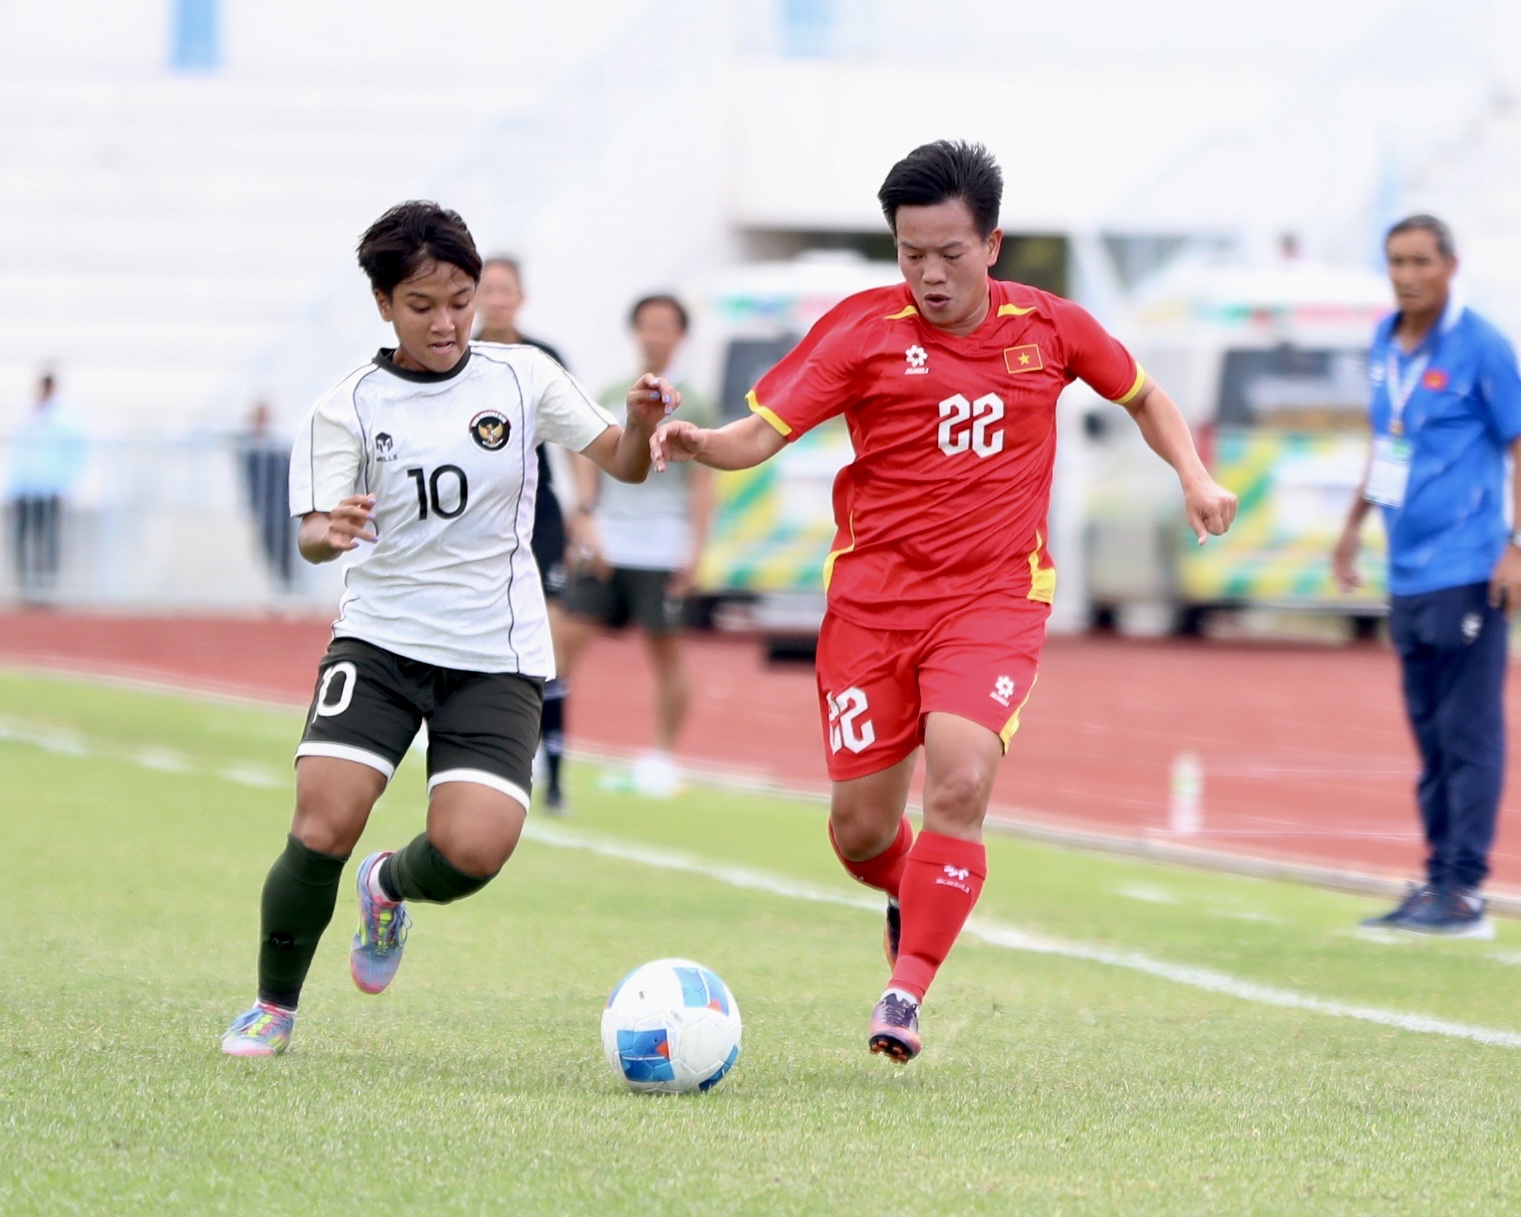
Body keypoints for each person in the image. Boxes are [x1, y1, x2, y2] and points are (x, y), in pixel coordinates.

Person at [652, 140, 1236, 1062]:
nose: (928, 274)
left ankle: (904, 990)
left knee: (960, 781)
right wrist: (697, 442)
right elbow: (756, 437)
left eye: (948, 254)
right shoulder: (860, 331)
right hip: (872, 608)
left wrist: (1194, 476)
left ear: (991, 245)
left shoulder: (1051, 327)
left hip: (993, 600)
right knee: (859, 831)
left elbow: (1144, 394)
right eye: (910, 253)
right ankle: (907, 884)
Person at [220, 201, 675, 1056]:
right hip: (380, 640)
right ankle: (272, 1004)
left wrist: (644, 420)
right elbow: (311, 534)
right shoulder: (346, 407)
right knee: (322, 821)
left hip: (494, 652)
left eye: (460, 301)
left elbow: (623, 461)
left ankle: (387, 887)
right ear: (383, 304)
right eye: (421, 305)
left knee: (473, 850)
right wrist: (330, 529)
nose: (446, 322)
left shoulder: (523, 376)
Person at [1334, 214, 1521, 938]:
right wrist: (1353, 524)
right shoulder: (1385, 341)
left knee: (1467, 731)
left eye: (1420, 261)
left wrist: (1515, 547)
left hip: (1469, 565)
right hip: (1407, 571)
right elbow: (1390, 441)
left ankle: (1464, 890)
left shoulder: (1482, 346)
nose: (1407, 275)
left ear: (1450, 266)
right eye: (1396, 262)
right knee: (1430, 735)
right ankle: (1437, 879)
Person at [555, 293, 716, 799]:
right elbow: (584, 453)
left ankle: (662, 759)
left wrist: (695, 552)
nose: (654, 335)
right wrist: (584, 521)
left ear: (680, 335)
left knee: (667, 656)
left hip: (663, 549)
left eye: (665, 326)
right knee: (560, 647)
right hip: (606, 543)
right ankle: (541, 748)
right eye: (646, 325)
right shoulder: (610, 393)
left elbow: (703, 485)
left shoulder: (696, 402)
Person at [474, 254, 572, 812]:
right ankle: (493, 751)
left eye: (505, 289)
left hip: (540, 514)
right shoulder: (457, 355)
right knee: (482, 634)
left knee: (549, 640)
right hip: (480, 514)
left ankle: (554, 773)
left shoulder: (542, 358)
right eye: (487, 289)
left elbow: (581, 434)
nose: (497, 298)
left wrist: (586, 512)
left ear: (521, 296)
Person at [6, 371, 85, 604]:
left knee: (49, 540)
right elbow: (16, 456)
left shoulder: (66, 419)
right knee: (21, 540)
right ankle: (26, 588)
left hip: (50, 490)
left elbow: (76, 454)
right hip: (24, 490)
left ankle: (46, 590)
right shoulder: (27, 417)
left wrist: (66, 484)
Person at [237, 402, 296, 591]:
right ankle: (283, 586)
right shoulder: (249, 445)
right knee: (269, 549)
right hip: (265, 509)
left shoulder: (277, 446)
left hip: (284, 510)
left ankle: (289, 587)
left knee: (287, 551)